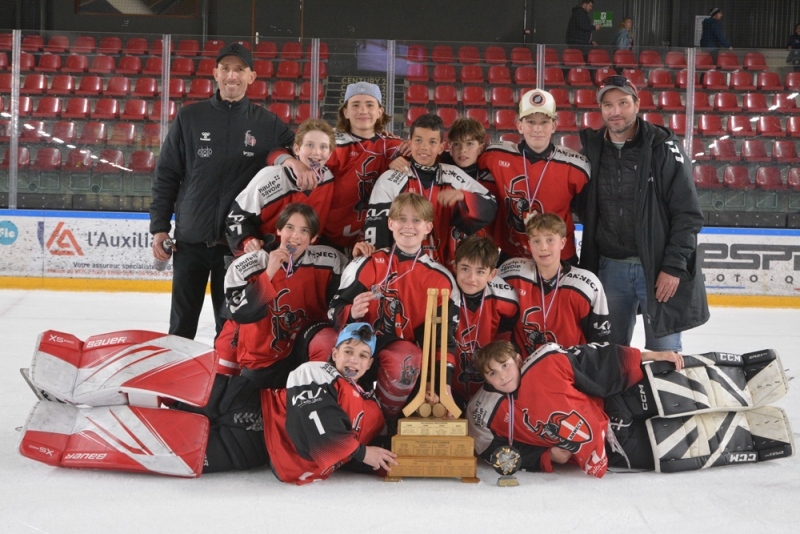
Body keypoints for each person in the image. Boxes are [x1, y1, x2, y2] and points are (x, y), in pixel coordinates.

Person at [19, 323, 398, 484]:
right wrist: (358, 452)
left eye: (362, 356)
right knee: (171, 382)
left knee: (162, 436)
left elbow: (356, 452)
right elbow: (316, 438)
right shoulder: (317, 372)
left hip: (253, 450)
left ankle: (70, 433)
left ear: (370, 365)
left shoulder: (371, 408)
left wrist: (370, 454)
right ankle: (77, 374)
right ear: (335, 352)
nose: (353, 360)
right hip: (247, 402)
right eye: (348, 351)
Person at [467, 340, 792, 478]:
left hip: (615, 401)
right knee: (677, 445)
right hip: (608, 447)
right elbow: (498, 456)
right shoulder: (484, 410)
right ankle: (752, 435)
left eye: (505, 366)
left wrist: (649, 356)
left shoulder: (545, 364)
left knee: (676, 392)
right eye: (492, 374)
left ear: (518, 360)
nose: (502, 376)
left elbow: (600, 360)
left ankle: (743, 382)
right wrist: (542, 457)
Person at [150, 43, 296, 340]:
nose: (232, 75)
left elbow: (307, 149)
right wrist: (159, 228)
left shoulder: (267, 124)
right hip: (190, 241)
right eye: (226, 69)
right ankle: (176, 384)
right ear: (215, 73)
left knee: (229, 330)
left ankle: (222, 386)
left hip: (236, 246)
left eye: (240, 69)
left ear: (252, 76)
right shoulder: (189, 118)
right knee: (181, 328)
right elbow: (167, 174)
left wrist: (288, 157)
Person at [576, 75, 709, 353]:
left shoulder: (663, 147)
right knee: (610, 356)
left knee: (665, 356)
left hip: (657, 271)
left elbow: (688, 215)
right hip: (609, 270)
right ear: (600, 109)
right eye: (608, 105)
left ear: (637, 104)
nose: (615, 112)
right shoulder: (592, 150)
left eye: (623, 103)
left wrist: (673, 267)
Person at [329, 193, 460, 420]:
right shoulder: (367, 262)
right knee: (323, 343)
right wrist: (350, 312)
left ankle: (382, 420)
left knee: (406, 359)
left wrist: (444, 385)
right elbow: (334, 309)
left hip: (399, 347)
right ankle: (336, 410)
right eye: (401, 219)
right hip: (359, 340)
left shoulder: (441, 278)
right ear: (390, 223)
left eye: (416, 221)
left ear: (428, 227)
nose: (408, 226)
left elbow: (443, 339)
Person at [218, 203, 347, 389]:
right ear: (278, 229)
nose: (295, 235)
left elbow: (343, 299)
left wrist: (360, 252)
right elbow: (240, 313)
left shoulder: (331, 260)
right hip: (262, 358)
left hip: (304, 348)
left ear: (313, 238)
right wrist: (269, 273)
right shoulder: (246, 266)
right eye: (290, 227)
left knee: (327, 340)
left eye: (304, 230)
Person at [270, 82, 403, 250]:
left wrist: (402, 161)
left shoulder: (393, 145)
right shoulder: (329, 141)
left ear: (379, 112)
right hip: (328, 236)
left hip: (374, 238)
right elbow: (275, 154)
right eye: (355, 105)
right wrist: (294, 163)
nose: (362, 110)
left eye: (369, 105)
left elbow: (424, 156)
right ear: (345, 112)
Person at [363, 113, 497, 270]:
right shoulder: (390, 179)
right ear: (409, 143)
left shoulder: (453, 175)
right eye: (418, 140)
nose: (424, 147)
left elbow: (490, 206)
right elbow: (376, 232)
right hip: (400, 269)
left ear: (441, 147)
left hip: (445, 269)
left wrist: (465, 197)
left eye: (432, 142)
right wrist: (382, 270)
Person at [478, 89, 590, 264]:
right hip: (513, 253)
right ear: (519, 125)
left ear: (554, 126)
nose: (537, 129)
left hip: (559, 256)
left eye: (544, 122)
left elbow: (587, 211)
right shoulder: (495, 156)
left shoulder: (576, 166)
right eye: (530, 122)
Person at [499, 213, 608, 355]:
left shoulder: (586, 284)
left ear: (563, 243)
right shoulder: (511, 273)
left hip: (569, 368)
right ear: (529, 243)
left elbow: (599, 339)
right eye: (536, 241)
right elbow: (500, 326)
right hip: (524, 368)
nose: (543, 247)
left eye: (550, 240)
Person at [225, 119, 336, 256]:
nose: (316, 152)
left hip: (306, 259)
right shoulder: (270, 177)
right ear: (296, 149)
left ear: (330, 153)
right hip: (268, 256)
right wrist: (247, 241)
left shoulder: (329, 178)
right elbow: (235, 218)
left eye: (323, 147)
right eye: (309, 145)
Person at [450, 235, 519, 405]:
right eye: (465, 269)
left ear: (492, 274)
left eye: (480, 271)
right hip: (448, 386)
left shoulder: (506, 300)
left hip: (490, 387)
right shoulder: (444, 295)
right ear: (454, 267)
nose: (471, 278)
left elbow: (506, 344)